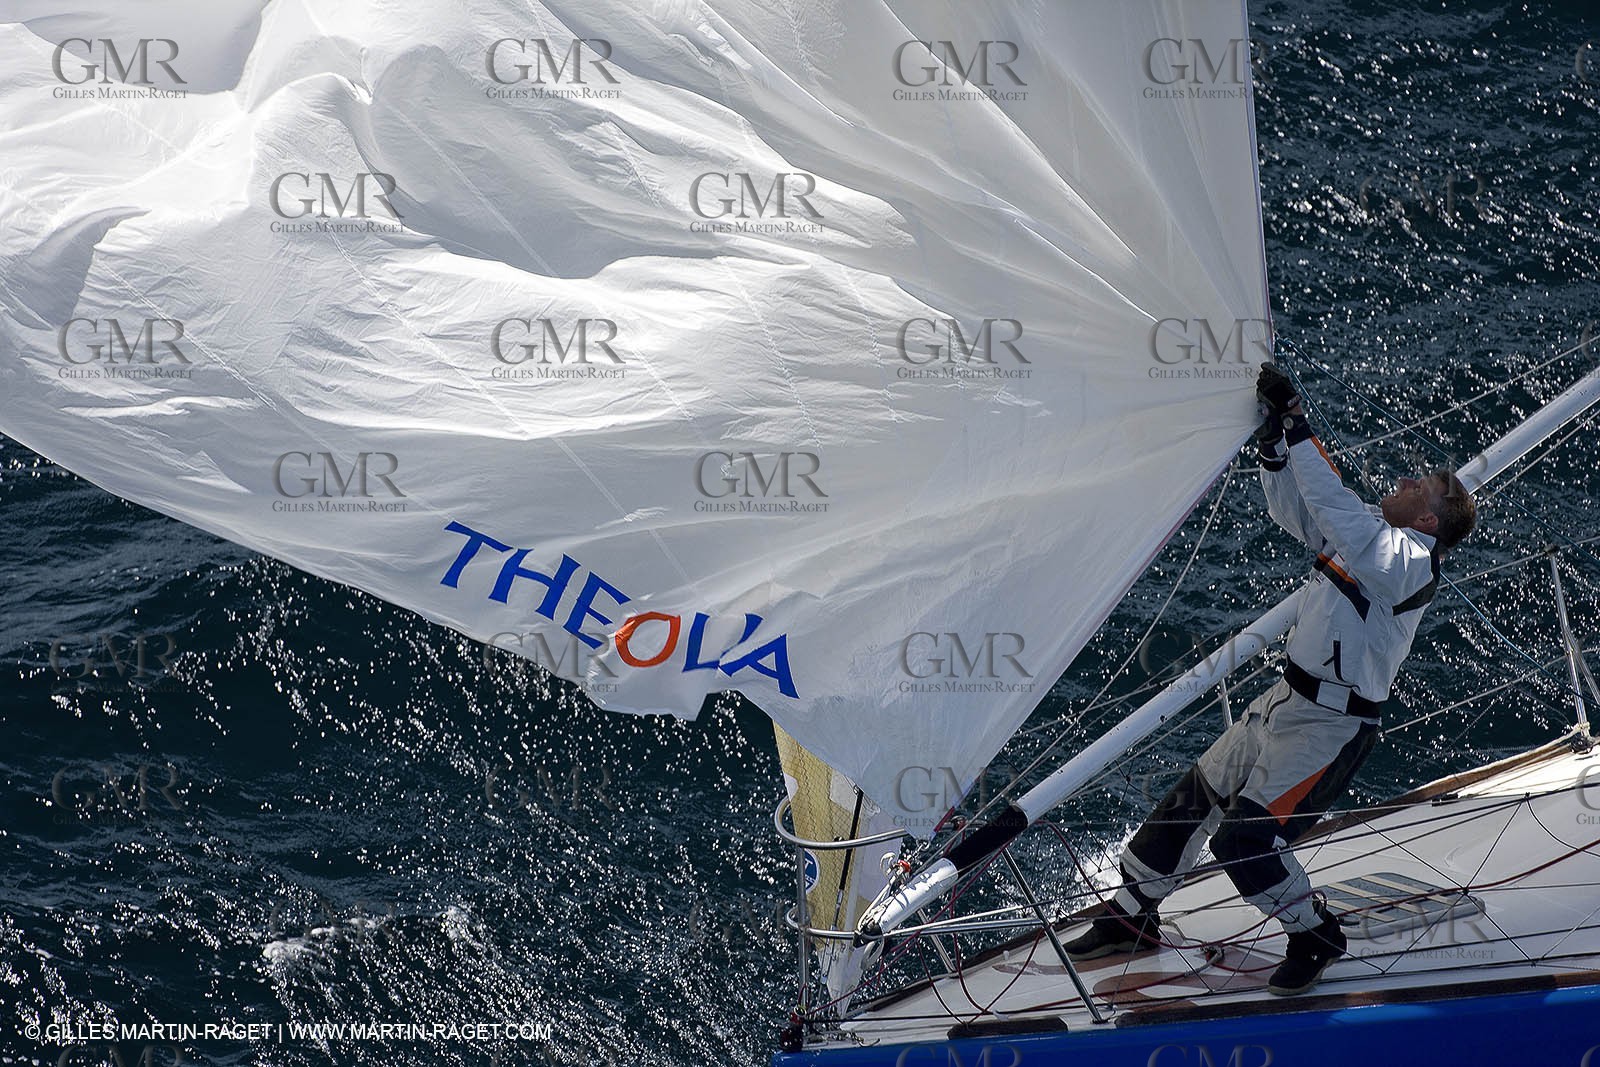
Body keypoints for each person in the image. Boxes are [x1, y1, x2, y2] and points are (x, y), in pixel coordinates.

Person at [1062, 362, 1477, 996]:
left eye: (1419, 485)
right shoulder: (1366, 536)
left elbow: (1339, 509)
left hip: (1331, 727)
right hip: (1285, 702)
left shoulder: (1410, 561)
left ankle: (1314, 934)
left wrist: (1301, 427)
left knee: (1247, 841)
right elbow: (1302, 511)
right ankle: (1132, 916)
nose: (1403, 480)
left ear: (1429, 521)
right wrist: (1273, 449)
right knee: (1191, 798)